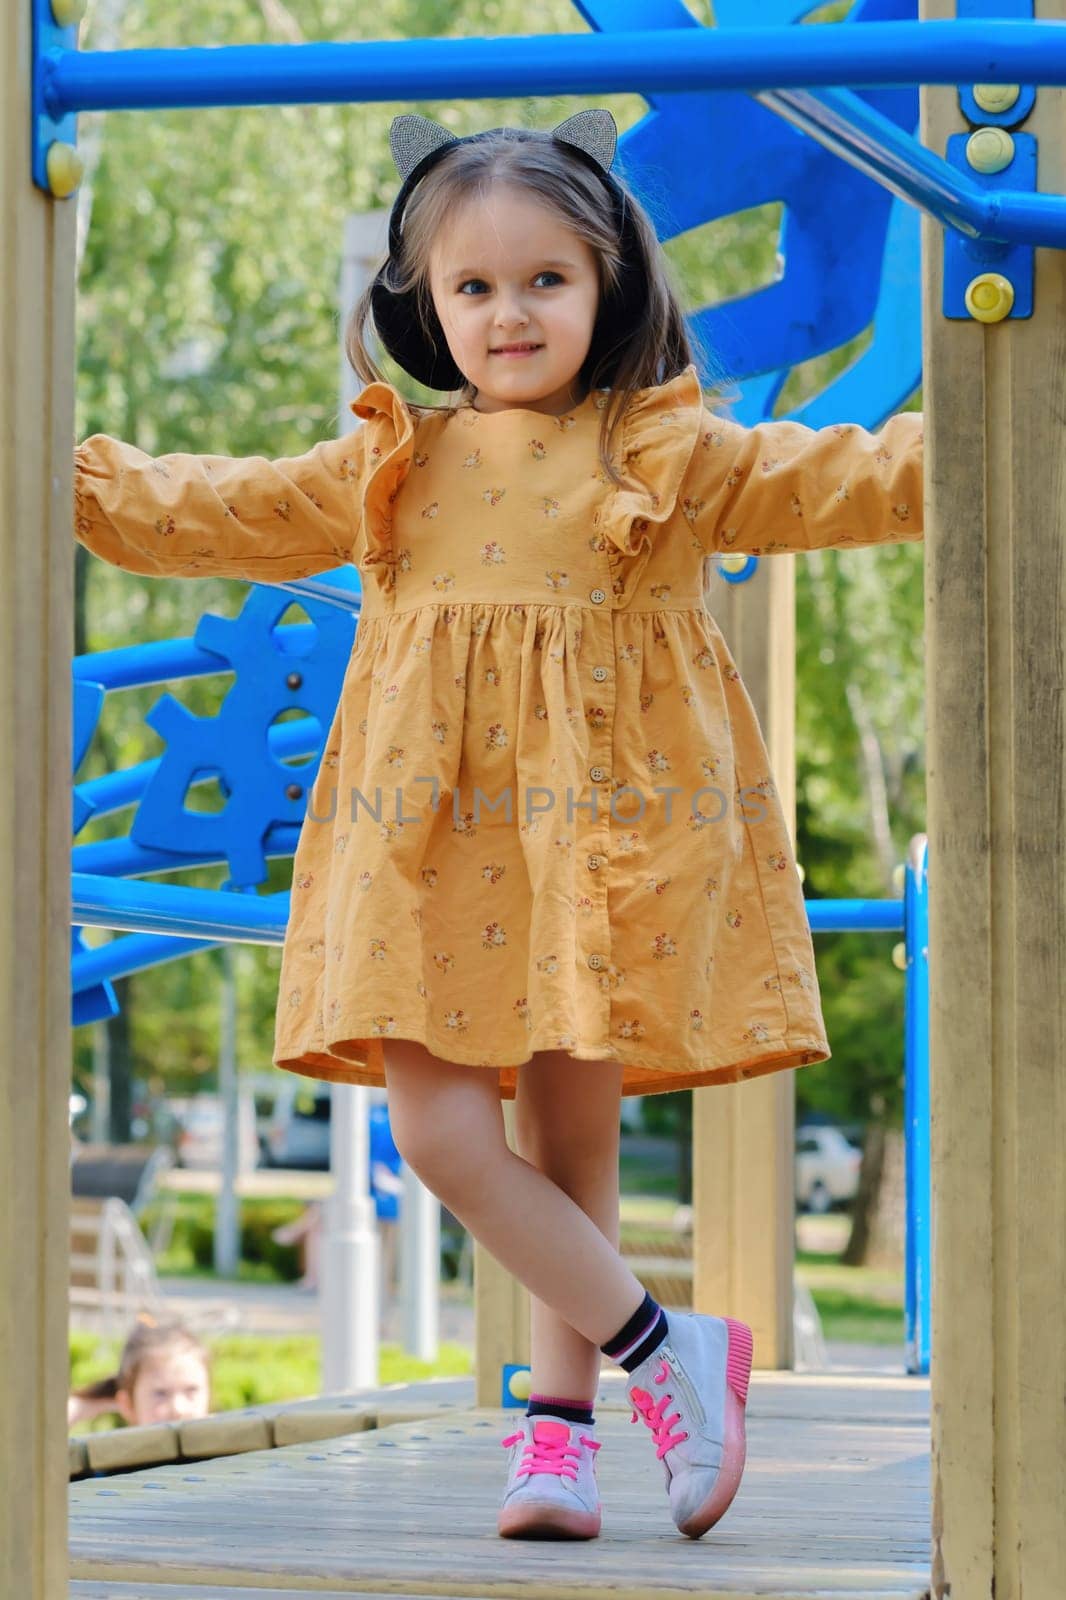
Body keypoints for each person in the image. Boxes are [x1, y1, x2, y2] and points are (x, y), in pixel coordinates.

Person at [72, 107, 924, 1541]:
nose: (510, 312)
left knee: (567, 1139)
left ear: (609, 286)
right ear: (423, 304)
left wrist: (999, 437)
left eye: (546, 280)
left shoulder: (660, 451)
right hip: (423, 844)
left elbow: (838, 477)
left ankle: (559, 1438)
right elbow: (209, 508)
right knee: (447, 1133)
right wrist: (75, 476)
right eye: (473, 287)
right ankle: (671, 1350)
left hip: (588, 837)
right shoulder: (395, 466)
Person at [68, 1314, 211, 1429]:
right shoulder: (119, 1461)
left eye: (192, 1390)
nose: (178, 1409)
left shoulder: (227, 1453)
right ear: (127, 1404)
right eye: (160, 1393)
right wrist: (79, 1408)